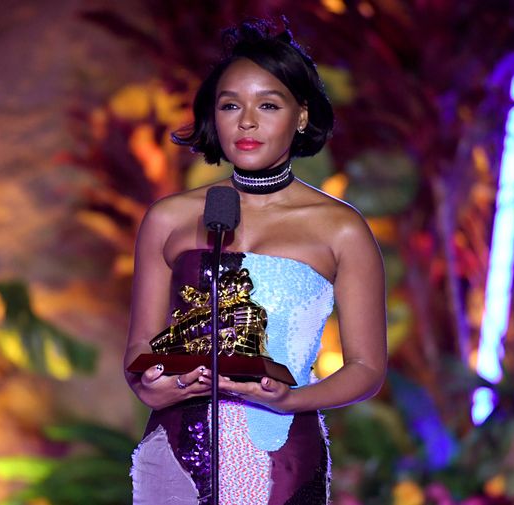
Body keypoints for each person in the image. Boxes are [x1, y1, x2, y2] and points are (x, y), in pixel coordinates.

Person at [124, 18, 387, 505]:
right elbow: (139, 348)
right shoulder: (167, 218)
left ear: (301, 116)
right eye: (230, 105)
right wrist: (152, 390)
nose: (247, 122)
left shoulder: (341, 229)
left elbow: (367, 368)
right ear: (213, 116)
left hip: (280, 458)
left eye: (268, 104)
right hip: (172, 457)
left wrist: (291, 399)